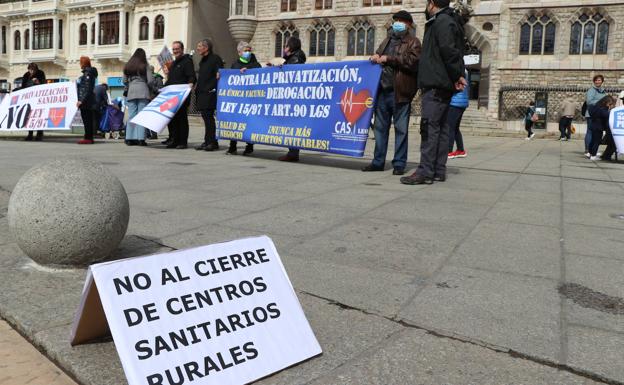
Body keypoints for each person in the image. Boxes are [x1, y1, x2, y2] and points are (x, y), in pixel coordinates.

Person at [400, 0, 466, 185]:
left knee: (429, 127)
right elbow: (455, 51)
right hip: (442, 83)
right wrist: (457, 76)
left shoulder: (442, 21)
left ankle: (425, 171)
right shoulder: (451, 21)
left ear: (431, 4)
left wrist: (457, 75)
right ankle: (438, 169)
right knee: (443, 127)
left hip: (436, 83)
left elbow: (449, 51)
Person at [362, 10, 421, 175]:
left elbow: (412, 63)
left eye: (401, 20)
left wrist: (389, 59)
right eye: (395, 20)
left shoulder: (413, 42)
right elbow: (378, 56)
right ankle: (378, 161)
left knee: (401, 130)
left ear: (408, 24)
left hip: (400, 92)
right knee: (380, 130)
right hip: (382, 91)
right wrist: (374, 57)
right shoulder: (387, 40)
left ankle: (399, 164)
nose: (397, 23)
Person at [227, 41, 261, 155]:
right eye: (246, 51)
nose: (248, 53)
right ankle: (232, 146)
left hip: (251, 99)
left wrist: (248, 69)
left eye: (249, 50)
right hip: (237, 100)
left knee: (249, 123)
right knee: (235, 123)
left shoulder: (255, 64)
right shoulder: (235, 64)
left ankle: (249, 146)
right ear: (239, 52)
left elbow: (259, 73)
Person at [277, 37, 307, 162]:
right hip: (290, 96)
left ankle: (293, 152)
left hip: (292, 97)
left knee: (292, 124)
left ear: (291, 47)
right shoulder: (292, 59)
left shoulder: (295, 60)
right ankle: (292, 151)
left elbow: (290, 77)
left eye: (286, 46)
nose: (284, 48)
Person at [163, 41, 196, 149]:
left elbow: (191, 76)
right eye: (174, 49)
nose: (175, 51)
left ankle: (182, 142)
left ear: (182, 49)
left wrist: (191, 84)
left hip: (182, 96)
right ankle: (174, 140)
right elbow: (171, 80)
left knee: (182, 119)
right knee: (173, 119)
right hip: (172, 96)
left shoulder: (187, 61)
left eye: (177, 49)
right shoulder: (173, 63)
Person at [195, 39, 223, 152]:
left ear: (206, 48)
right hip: (202, 92)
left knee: (209, 118)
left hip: (210, 93)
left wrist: (218, 74)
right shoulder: (202, 61)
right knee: (205, 117)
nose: (198, 48)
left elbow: (219, 72)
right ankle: (208, 141)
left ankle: (212, 142)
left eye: (200, 46)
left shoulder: (215, 58)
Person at [123, 48, 153, 146]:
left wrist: (130, 84)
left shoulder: (128, 65)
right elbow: (150, 81)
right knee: (142, 115)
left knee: (132, 115)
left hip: (131, 91)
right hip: (143, 91)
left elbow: (124, 81)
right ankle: (140, 139)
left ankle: (129, 138)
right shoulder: (145, 65)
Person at [76, 56, 98, 144]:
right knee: (88, 119)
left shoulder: (87, 73)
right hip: (88, 101)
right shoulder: (89, 73)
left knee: (87, 120)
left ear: (83, 63)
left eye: (80, 62)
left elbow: (87, 88)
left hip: (86, 102)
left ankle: (88, 138)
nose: (79, 64)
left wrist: (81, 100)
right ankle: (88, 137)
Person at [447, 70, 469, 159]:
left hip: (455, 102)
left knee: (450, 127)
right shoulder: (465, 71)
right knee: (455, 128)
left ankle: (449, 151)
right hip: (462, 102)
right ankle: (460, 150)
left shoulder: (457, 71)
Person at [22, 63, 46, 141]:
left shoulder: (41, 73)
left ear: (36, 69)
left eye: (33, 70)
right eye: (30, 70)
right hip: (30, 99)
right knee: (30, 116)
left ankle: (39, 134)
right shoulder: (26, 75)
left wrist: (38, 82)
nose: (31, 71)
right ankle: (30, 134)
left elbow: (44, 84)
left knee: (39, 116)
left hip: (39, 98)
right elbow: (23, 86)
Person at [587, 95, 616, 161]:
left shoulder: (596, 107)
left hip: (593, 126)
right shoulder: (603, 109)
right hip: (598, 127)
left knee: (593, 140)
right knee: (597, 141)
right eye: (610, 103)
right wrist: (610, 110)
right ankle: (593, 155)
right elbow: (607, 115)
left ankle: (590, 153)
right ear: (606, 102)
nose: (610, 105)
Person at [584, 75, 606, 156]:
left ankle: (592, 150)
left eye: (599, 80)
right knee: (590, 132)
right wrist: (601, 101)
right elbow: (589, 102)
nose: (597, 82)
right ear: (594, 81)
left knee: (596, 133)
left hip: (599, 114)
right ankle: (587, 150)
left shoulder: (603, 91)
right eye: (596, 80)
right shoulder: (591, 90)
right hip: (591, 114)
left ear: (602, 81)